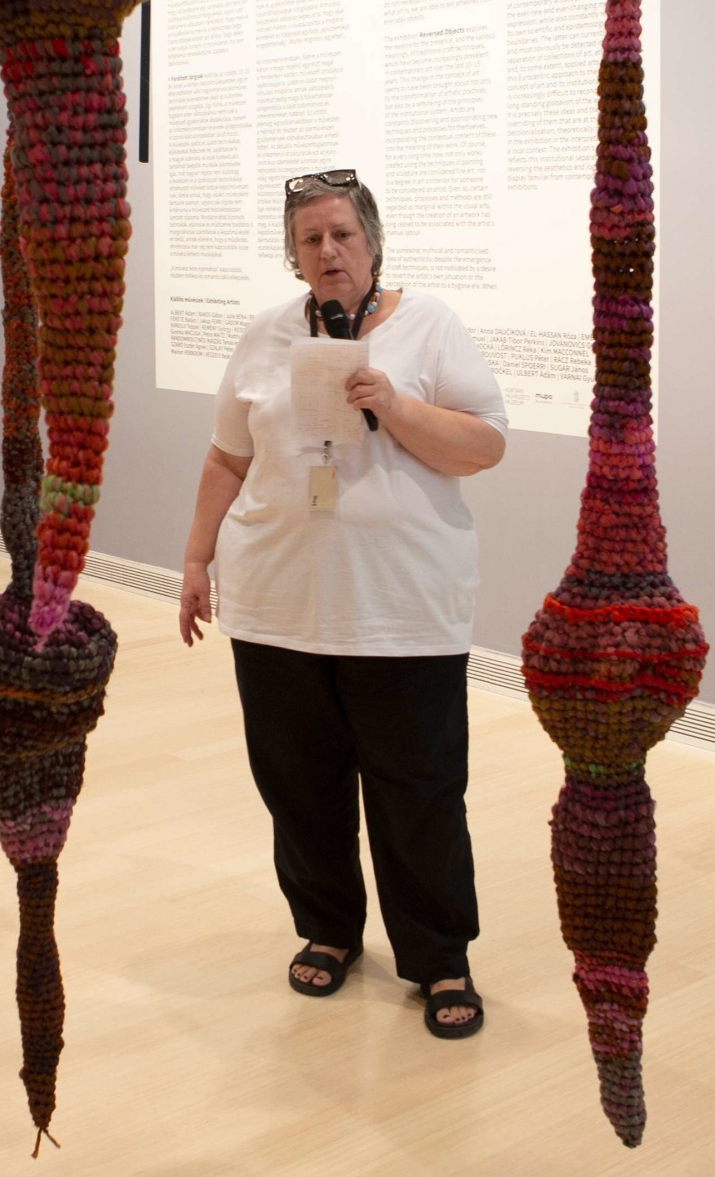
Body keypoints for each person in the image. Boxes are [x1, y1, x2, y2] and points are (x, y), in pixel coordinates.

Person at [177, 170, 508, 1040]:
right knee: (300, 785)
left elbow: (483, 446)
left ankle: (439, 956)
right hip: (279, 604)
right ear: (293, 254)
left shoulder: (428, 325)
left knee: (419, 790)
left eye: (343, 234)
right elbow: (227, 457)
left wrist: (394, 404)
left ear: (373, 242)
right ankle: (327, 926)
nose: (329, 251)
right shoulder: (264, 336)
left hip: (403, 609)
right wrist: (197, 558)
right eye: (311, 238)